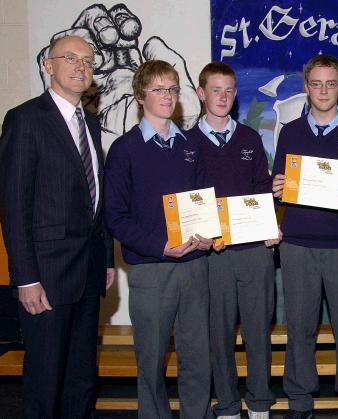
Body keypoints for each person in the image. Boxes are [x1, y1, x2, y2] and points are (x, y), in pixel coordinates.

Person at [0, 35, 115, 418]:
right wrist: (25, 278)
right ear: (48, 66)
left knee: (81, 379)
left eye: (88, 60)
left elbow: (95, 200)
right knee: (45, 381)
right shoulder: (26, 119)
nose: (81, 66)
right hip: (45, 277)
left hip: (88, 273)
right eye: (70, 58)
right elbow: (13, 206)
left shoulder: (91, 124)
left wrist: (106, 259)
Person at [103, 60, 214, 418]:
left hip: (195, 266)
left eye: (172, 89)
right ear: (140, 96)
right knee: (150, 360)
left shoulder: (189, 146)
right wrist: (160, 247)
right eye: (158, 90)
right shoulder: (124, 149)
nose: (167, 97)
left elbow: (201, 202)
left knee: (197, 356)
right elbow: (114, 217)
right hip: (152, 269)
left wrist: (207, 235)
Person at [271, 54, 338, 419]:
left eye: (330, 83)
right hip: (298, 244)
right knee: (300, 328)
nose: (323, 90)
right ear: (305, 87)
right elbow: (280, 184)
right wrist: (278, 188)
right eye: (316, 83)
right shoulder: (290, 132)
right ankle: (300, 399)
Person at [188, 61, 278, 419]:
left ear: (235, 94)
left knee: (258, 332)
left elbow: (261, 189)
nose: (222, 97)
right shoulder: (186, 142)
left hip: (254, 251)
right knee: (218, 334)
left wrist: (270, 223)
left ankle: (258, 404)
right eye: (215, 90)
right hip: (211, 254)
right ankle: (226, 404)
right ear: (200, 93)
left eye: (228, 90)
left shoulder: (249, 138)